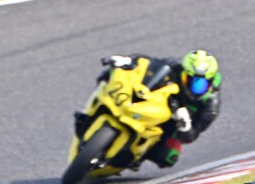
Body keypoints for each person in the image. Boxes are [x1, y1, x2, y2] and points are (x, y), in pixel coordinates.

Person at [74, 49, 222, 168]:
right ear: (184, 73)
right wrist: (128, 60)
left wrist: (185, 125)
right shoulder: (175, 65)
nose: (194, 86)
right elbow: (148, 62)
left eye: (200, 84)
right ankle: (92, 113)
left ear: (211, 81)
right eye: (189, 79)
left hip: (170, 124)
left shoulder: (210, 106)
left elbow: (191, 136)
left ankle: (136, 157)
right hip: (156, 101)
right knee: (109, 74)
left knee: (168, 157)